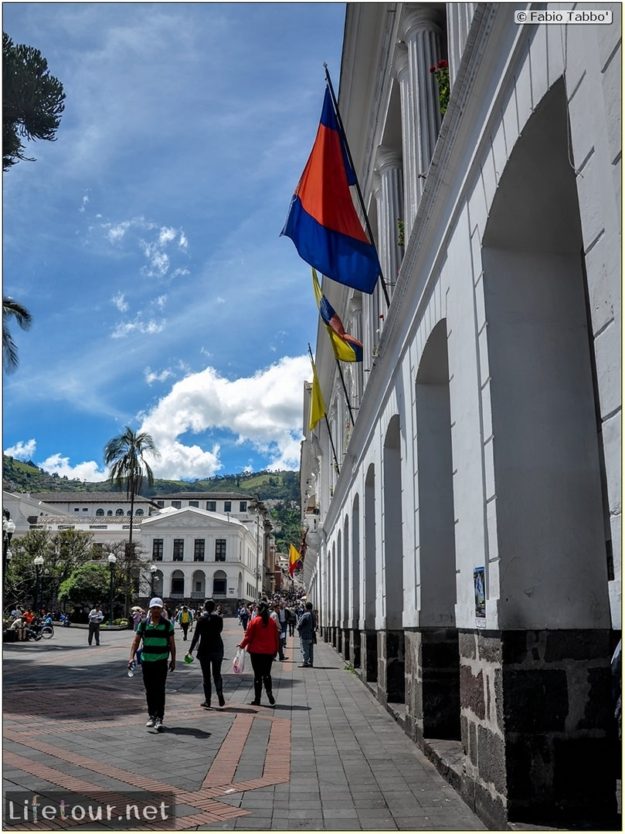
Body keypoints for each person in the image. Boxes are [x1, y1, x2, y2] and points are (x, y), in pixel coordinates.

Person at [128, 597, 176, 732]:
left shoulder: (167, 624)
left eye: (158, 608)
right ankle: (151, 716)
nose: (155, 610)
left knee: (160, 690)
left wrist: (173, 659)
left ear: (162, 609)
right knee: (149, 690)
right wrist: (131, 658)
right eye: (153, 608)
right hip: (147, 661)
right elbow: (135, 642)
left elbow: (172, 644)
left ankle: (159, 717)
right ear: (150, 609)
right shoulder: (143, 624)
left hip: (161, 661)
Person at [238, 601, 280, 707]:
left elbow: (248, 636)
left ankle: (257, 699)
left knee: (257, 676)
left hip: (256, 652)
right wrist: (275, 651)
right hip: (269, 652)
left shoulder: (254, 621)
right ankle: (269, 693)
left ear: (258, 609)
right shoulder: (271, 622)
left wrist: (241, 645)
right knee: (267, 674)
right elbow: (276, 637)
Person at [189, 599, 225, 709]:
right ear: (214, 607)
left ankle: (208, 701)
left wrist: (190, 650)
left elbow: (196, 636)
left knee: (206, 676)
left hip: (204, 649)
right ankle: (219, 694)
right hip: (217, 647)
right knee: (217, 673)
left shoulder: (201, 619)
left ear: (205, 607)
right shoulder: (219, 619)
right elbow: (220, 630)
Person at [297, 601, 316, 667]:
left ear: (306, 607)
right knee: (311, 650)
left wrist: (298, 629)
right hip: (312, 635)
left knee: (305, 649)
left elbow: (300, 625)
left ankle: (305, 662)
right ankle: (311, 662)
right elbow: (315, 625)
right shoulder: (313, 614)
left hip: (305, 635)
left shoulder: (305, 615)